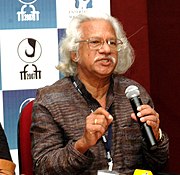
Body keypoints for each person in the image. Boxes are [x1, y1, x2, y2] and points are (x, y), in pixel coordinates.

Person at [31, 11, 169, 175]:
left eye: (112, 42)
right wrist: (82, 144)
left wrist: (155, 136)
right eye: (95, 42)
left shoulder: (134, 93)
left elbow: (159, 163)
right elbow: (43, 167)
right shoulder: (50, 100)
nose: (106, 49)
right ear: (74, 53)